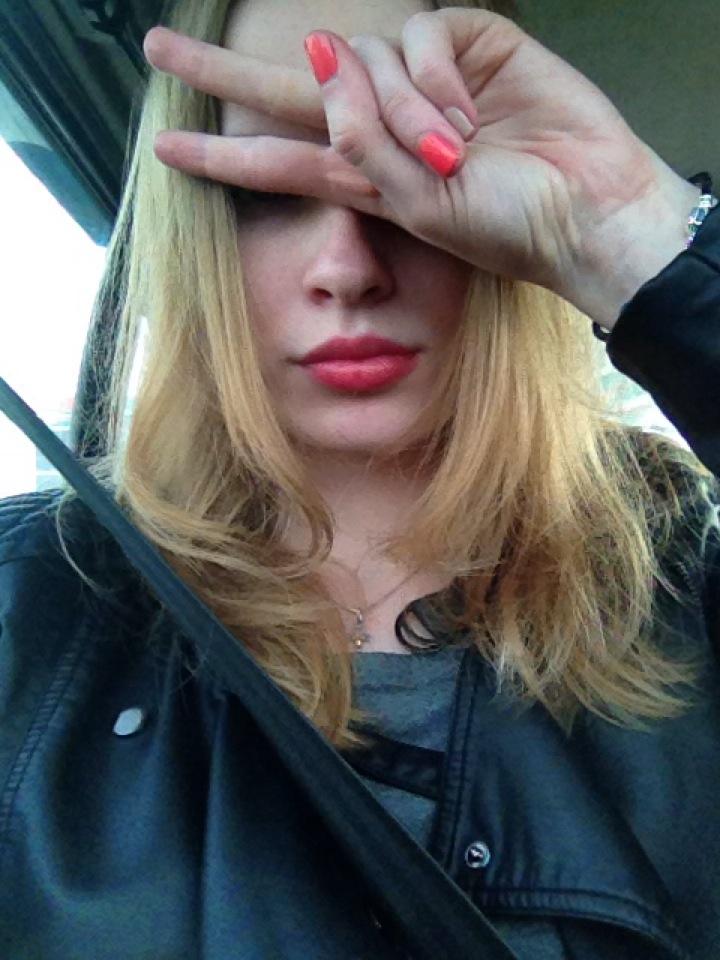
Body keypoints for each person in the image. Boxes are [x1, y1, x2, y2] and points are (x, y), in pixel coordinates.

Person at [0, 0, 718, 957]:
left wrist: (637, 232)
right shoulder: (24, 605)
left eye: (410, 170)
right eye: (265, 188)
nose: (348, 268)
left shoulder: (681, 568)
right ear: (191, 241)